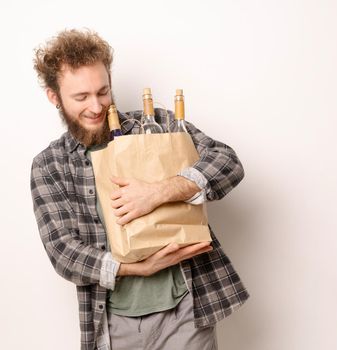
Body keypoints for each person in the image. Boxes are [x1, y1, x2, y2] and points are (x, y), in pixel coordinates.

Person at [30, 29, 249, 350]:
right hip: (110, 320)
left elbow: (227, 162)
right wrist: (139, 268)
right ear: (54, 96)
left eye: (103, 92)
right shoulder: (49, 165)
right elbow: (63, 252)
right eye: (81, 97)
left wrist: (158, 191)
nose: (96, 106)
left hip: (185, 309)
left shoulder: (156, 126)